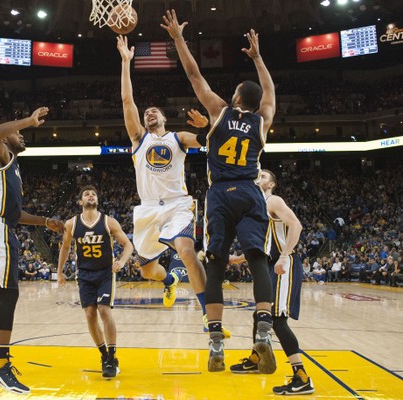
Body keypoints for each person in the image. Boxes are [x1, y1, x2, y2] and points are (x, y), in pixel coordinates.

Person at [161, 10, 277, 373]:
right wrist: (259, 58)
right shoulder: (262, 121)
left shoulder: (220, 112)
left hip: (221, 195)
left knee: (215, 264)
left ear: (237, 96)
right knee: (259, 260)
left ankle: (214, 339)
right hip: (250, 189)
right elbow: (270, 93)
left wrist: (179, 39)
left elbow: (194, 75)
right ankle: (262, 329)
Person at [116, 35, 219, 336]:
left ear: (163, 118)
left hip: (177, 205)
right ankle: (168, 281)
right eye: (146, 112)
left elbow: (210, 140)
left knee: (187, 250)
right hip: (147, 210)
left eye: (154, 111)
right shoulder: (138, 139)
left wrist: (208, 127)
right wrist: (126, 63)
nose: (148, 113)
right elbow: (126, 101)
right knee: (147, 270)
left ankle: (208, 316)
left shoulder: (178, 138)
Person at [0, 108, 65, 395]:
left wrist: (45, 221)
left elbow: (16, 215)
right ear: (7, 139)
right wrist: (29, 121)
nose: (21, 135)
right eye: (17, 133)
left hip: (1, 227)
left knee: (1, 293)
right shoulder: (0, 154)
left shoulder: (14, 166)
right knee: (9, 292)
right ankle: (1, 365)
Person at [228, 170, 315, 395]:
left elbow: (296, 226)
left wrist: (286, 255)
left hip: (282, 264)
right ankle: (257, 358)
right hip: (269, 264)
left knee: (276, 319)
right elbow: (262, 244)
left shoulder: (273, 200)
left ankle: (302, 376)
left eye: (264, 176)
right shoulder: (256, 206)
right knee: (260, 314)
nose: (259, 178)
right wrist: (238, 258)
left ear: (272, 184)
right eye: (257, 175)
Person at [57, 185, 134, 378]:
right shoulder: (72, 224)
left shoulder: (108, 222)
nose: (90, 196)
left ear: (97, 201)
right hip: (84, 274)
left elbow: (128, 245)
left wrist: (122, 261)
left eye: (93, 194)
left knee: (104, 309)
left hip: (105, 273)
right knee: (90, 314)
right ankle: (105, 355)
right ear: (80, 202)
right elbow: (65, 248)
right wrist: (59, 271)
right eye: (86, 194)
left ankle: (112, 355)